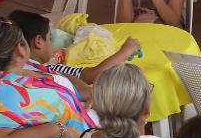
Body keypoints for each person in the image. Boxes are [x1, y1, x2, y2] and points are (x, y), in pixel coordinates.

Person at [9, 9, 138, 87]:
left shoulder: (7, 66)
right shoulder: (47, 70)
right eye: (49, 39)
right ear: (38, 42)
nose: (52, 46)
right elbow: (91, 75)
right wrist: (125, 51)